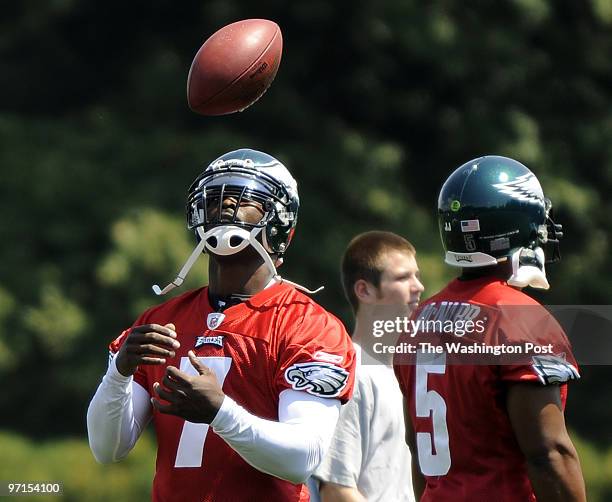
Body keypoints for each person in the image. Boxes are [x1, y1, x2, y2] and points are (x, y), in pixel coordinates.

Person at [87, 148, 356, 502]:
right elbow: (108, 449)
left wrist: (220, 412)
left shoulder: (308, 325)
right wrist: (118, 373)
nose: (226, 205)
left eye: (247, 198)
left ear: (281, 226)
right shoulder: (161, 320)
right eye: (216, 198)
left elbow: (302, 457)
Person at [394, 155, 586, 501]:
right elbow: (549, 454)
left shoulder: (419, 319)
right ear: (518, 226)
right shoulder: (519, 318)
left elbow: (420, 451)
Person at [312, 231, 421, 502]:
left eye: (416, 275)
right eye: (403, 277)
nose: (418, 286)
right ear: (364, 290)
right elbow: (336, 491)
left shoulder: (411, 372)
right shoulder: (351, 374)